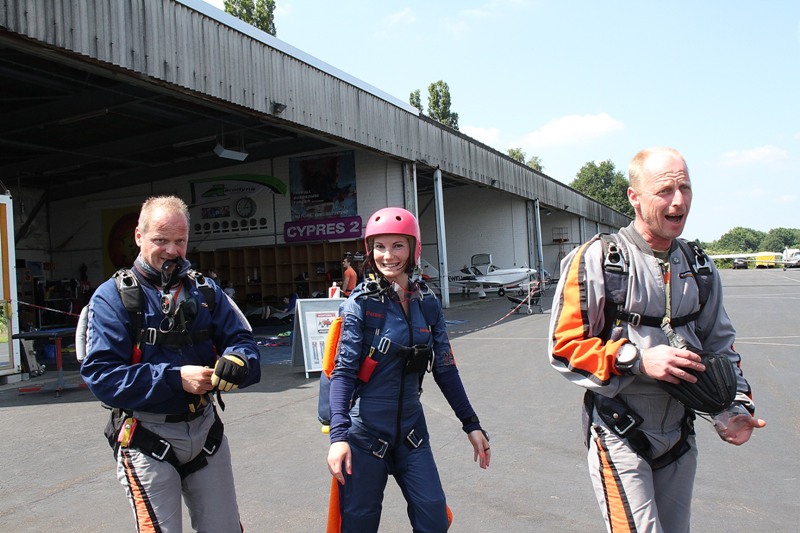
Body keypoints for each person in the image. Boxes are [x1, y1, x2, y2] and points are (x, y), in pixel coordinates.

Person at [548, 147, 766, 532]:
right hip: (619, 429)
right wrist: (637, 359)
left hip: (680, 431)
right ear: (634, 197)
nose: (678, 200)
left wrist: (733, 407)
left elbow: (721, 345)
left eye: (685, 188)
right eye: (665, 190)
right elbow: (564, 347)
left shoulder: (699, 266)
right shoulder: (598, 259)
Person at [80, 195, 261, 532]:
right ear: (139, 236)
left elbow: (243, 340)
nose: (172, 251)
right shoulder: (111, 297)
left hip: (206, 431)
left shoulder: (206, 291)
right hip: (146, 436)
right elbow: (102, 377)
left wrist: (238, 360)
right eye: (161, 240)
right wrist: (175, 378)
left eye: (180, 241)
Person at [326, 207, 491, 532]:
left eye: (398, 245)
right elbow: (343, 372)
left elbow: (445, 369)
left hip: (412, 435)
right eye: (380, 246)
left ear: (414, 249)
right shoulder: (360, 304)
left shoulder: (427, 303)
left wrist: (471, 424)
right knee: (359, 523)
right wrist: (338, 437)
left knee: (433, 518)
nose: (388, 255)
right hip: (364, 435)